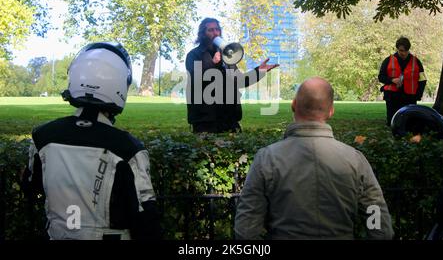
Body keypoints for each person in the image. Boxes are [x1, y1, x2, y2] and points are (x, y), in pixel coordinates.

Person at [22, 42, 161, 240]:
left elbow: (31, 187)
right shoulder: (127, 148)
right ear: (120, 85)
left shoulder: (43, 136)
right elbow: (145, 216)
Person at [234, 77, 394, 239]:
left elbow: (246, 227)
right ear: (331, 111)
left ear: (294, 105)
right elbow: (377, 220)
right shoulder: (355, 160)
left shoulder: (267, 158)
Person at [185, 17, 279, 133]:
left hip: (229, 118)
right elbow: (197, 80)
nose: (215, 33)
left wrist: (259, 71)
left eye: (217, 29)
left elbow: (239, 81)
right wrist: (213, 63)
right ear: (202, 34)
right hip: (205, 120)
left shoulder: (227, 55)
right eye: (210, 30)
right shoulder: (194, 55)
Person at [378, 36, 427, 126]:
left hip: (410, 96)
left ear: (408, 49)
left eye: (405, 50)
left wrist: (418, 95)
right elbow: (381, 77)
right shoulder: (388, 60)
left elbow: (423, 79)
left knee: (409, 122)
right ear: (397, 49)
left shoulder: (416, 61)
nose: (403, 53)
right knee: (392, 122)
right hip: (392, 96)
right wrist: (392, 80)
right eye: (401, 50)